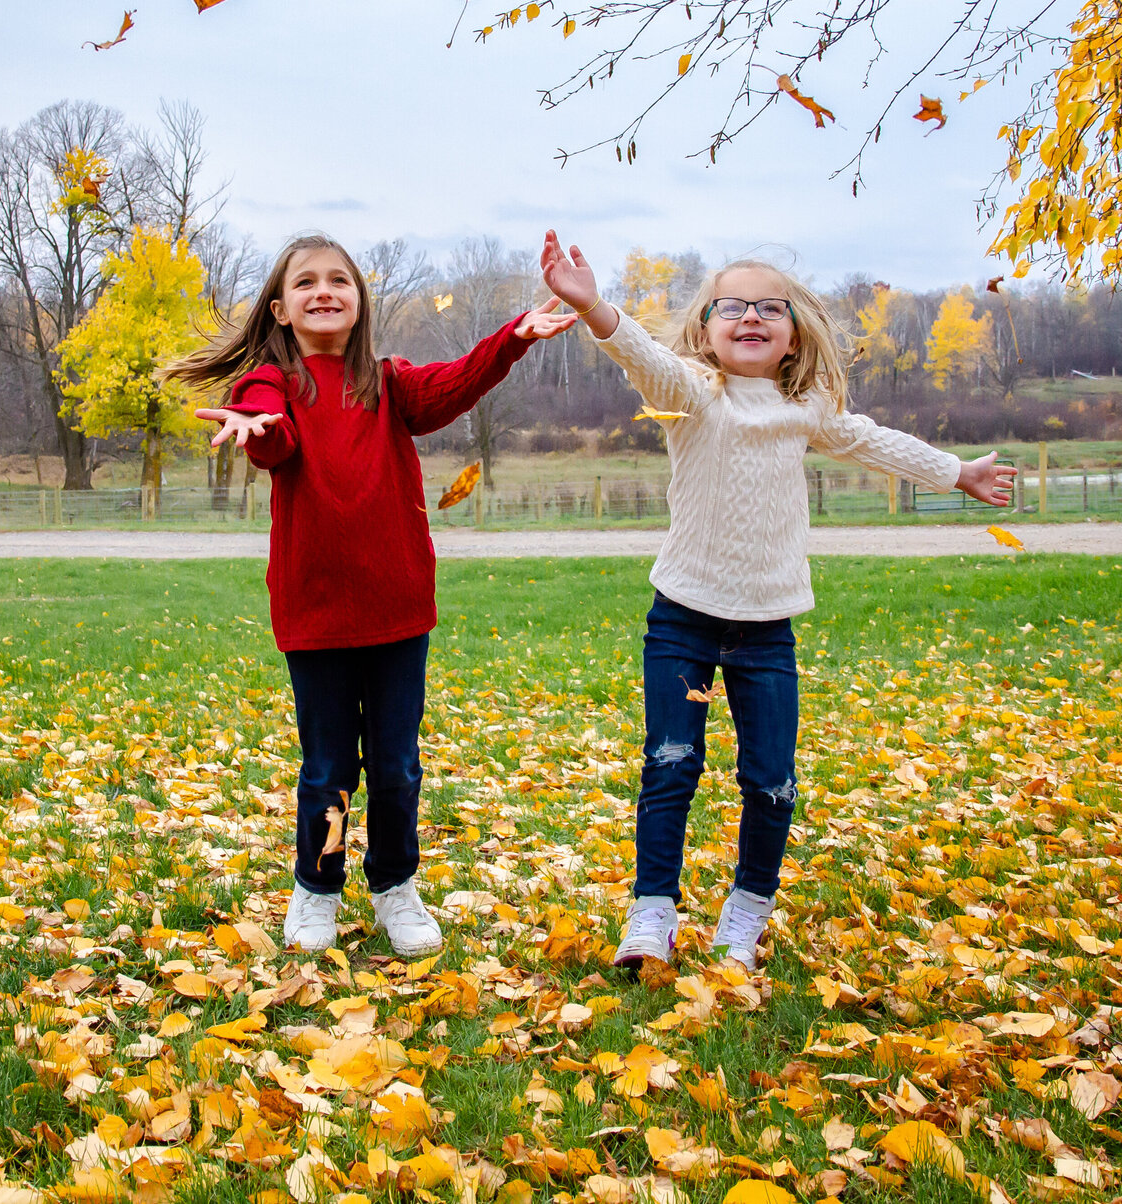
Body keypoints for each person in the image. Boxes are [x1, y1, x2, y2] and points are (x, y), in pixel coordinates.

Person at [540, 230, 1014, 972]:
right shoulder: (694, 393)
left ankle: (747, 912)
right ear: (707, 329)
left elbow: (876, 443)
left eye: (771, 307)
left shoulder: (806, 409)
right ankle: (651, 914)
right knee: (670, 763)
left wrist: (960, 473)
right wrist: (594, 304)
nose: (751, 317)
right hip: (683, 621)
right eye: (733, 306)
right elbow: (645, 359)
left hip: (766, 632)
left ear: (794, 335)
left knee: (770, 780)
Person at [167, 233, 576, 957]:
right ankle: (318, 888)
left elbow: (454, 382)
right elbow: (273, 438)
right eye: (306, 283)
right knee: (328, 768)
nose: (324, 291)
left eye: (340, 281)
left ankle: (394, 887)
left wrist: (512, 338)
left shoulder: (390, 384)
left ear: (359, 303)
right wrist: (255, 428)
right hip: (315, 613)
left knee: (396, 765)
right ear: (281, 308)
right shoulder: (270, 386)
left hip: (397, 611)